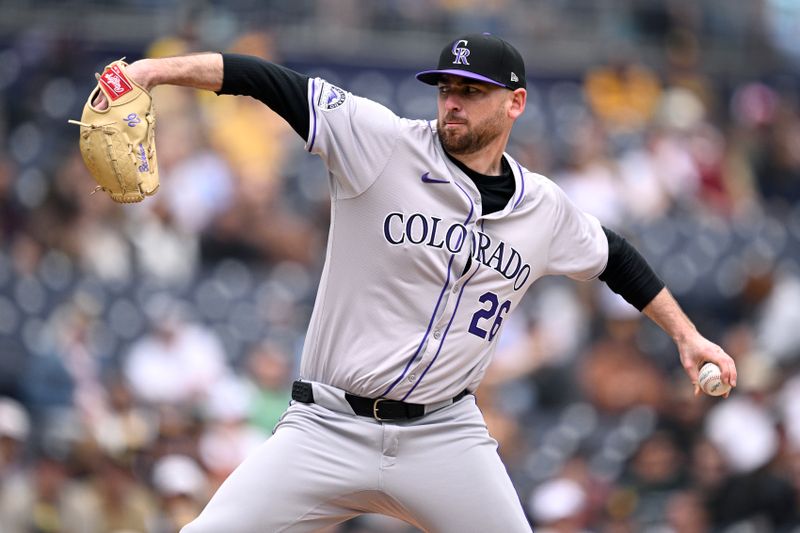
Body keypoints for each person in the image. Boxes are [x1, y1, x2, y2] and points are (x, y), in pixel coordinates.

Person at [91, 33, 737, 532]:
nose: (452, 100)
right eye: (446, 86)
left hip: (444, 436)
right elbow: (265, 81)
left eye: (472, 90)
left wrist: (686, 334)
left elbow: (614, 257)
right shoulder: (380, 142)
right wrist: (149, 72)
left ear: (515, 103)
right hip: (326, 427)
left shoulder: (544, 208)